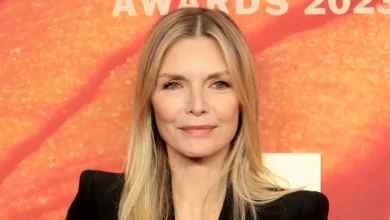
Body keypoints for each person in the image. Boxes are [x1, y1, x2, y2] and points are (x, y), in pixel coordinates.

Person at [66, 7, 329, 220]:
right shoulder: (99, 202)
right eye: (174, 85)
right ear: (150, 99)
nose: (197, 105)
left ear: (243, 99)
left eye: (219, 84)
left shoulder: (297, 213)